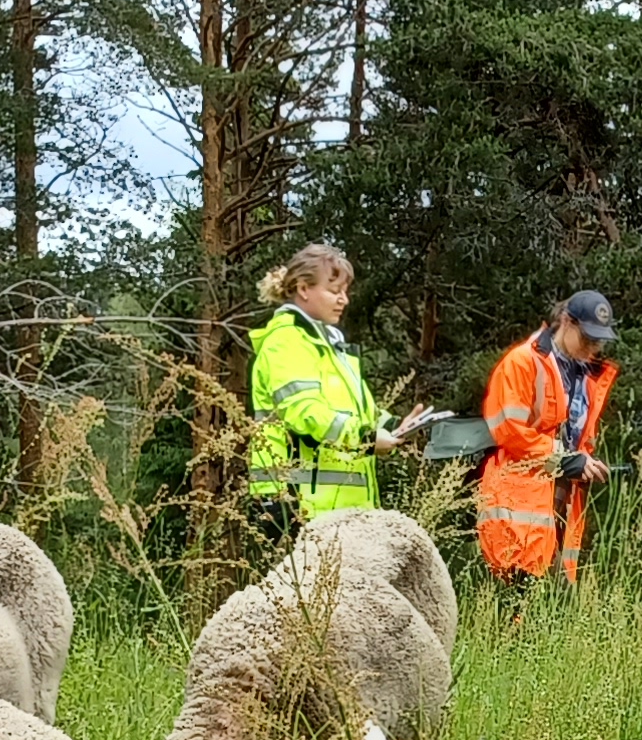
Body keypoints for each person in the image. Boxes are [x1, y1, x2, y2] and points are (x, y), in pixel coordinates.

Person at [243, 244, 439, 538]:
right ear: (303, 289)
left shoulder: (329, 345)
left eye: (345, 291)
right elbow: (306, 415)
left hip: (339, 508)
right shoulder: (287, 341)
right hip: (299, 506)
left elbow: (359, 412)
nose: (343, 300)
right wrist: (367, 439)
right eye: (334, 291)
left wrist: (394, 427)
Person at [475, 289, 620, 584]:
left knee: (554, 600)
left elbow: (578, 438)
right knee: (517, 595)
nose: (592, 347)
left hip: (561, 501)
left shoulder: (588, 376)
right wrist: (565, 459)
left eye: (598, 341)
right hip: (518, 501)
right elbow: (510, 432)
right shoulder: (522, 362)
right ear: (566, 322)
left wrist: (585, 463)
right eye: (587, 338)